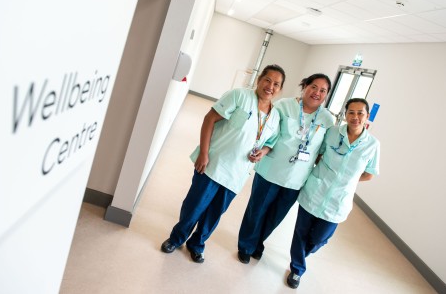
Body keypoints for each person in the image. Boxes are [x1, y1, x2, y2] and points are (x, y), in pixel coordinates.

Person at [160, 64, 285, 263]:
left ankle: (197, 244)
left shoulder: (275, 116)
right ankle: (176, 238)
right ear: (260, 79)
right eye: (267, 80)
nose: (270, 86)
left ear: (280, 90)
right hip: (212, 164)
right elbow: (209, 119)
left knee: (214, 215)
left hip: (237, 174)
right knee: (194, 207)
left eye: (276, 84)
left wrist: (262, 152)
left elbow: (270, 143)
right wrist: (203, 153)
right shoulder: (239, 96)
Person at [237, 73, 334, 264]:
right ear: (304, 85)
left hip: (296, 179)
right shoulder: (283, 106)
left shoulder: (327, 119)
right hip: (270, 171)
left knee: (276, 217)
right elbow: (268, 133)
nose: (317, 93)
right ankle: (246, 245)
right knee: (256, 211)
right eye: (314, 87)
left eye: (323, 90)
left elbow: (322, 152)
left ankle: (258, 243)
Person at [286, 98, 380, 289]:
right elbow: (318, 154)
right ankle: (297, 269)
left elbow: (369, 174)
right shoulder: (332, 133)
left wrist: (348, 180)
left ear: (367, 116)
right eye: (351, 112)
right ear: (345, 115)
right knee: (300, 233)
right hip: (315, 190)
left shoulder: (373, 144)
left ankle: (301, 254)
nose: (355, 117)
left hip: (339, 200)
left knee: (320, 238)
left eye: (360, 113)